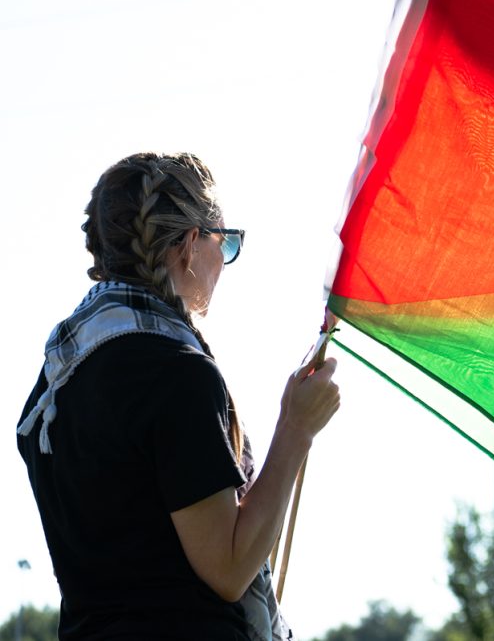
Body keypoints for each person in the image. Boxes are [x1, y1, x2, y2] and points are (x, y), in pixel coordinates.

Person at [15, 152, 340, 640]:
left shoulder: (56, 381)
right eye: (225, 244)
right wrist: (296, 429)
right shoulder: (176, 374)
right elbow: (228, 569)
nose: (223, 264)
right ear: (190, 245)